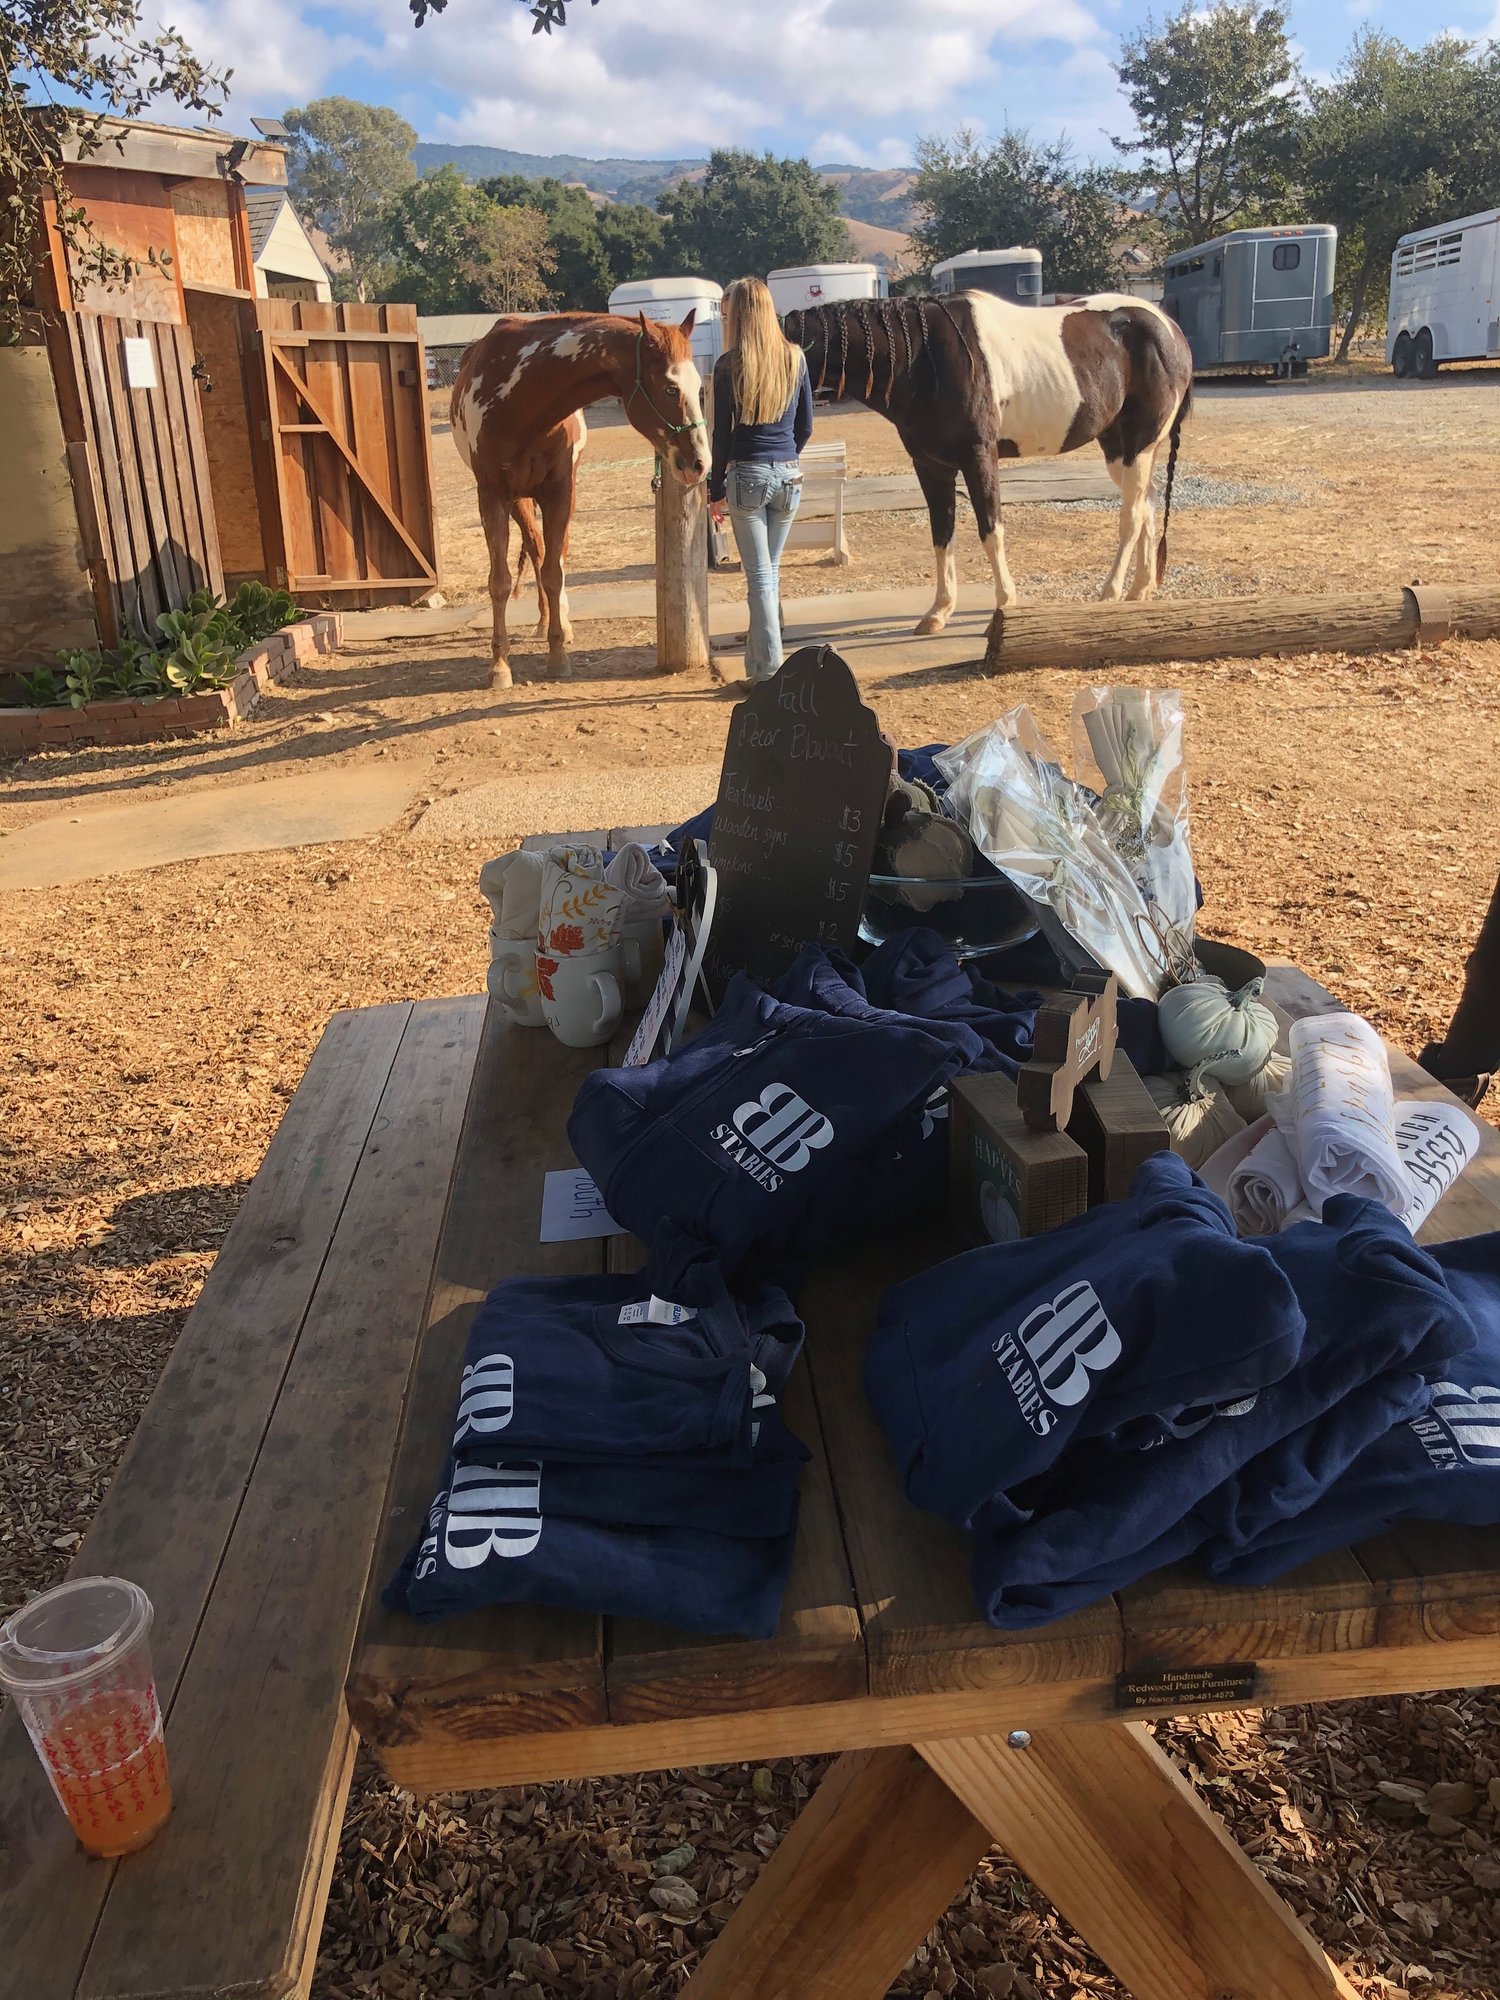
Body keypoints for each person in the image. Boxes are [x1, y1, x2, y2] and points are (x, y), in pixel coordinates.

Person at [708, 277, 814, 682]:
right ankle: (757, 667)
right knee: (769, 574)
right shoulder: (795, 357)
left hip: (747, 476)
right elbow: (805, 425)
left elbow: (721, 435)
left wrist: (714, 490)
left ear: (737, 315)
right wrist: (786, 459)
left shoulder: (728, 364)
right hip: (789, 477)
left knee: (760, 580)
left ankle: (770, 674)